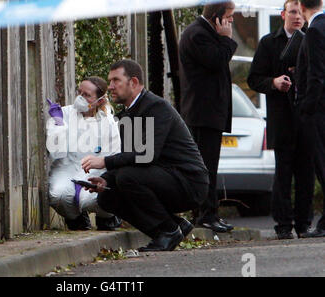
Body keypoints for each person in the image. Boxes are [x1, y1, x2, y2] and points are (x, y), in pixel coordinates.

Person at [81, 60, 209, 252]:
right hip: (162, 177)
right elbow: (128, 157)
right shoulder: (127, 115)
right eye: (110, 81)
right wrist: (104, 179)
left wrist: (104, 161)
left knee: (127, 178)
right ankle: (173, 226)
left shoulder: (156, 108)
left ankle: (168, 231)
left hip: (189, 182)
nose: (111, 87)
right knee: (107, 196)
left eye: (116, 80)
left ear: (133, 82)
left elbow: (146, 155)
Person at [248, 0, 316, 239]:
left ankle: (304, 223)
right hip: (282, 117)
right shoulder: (269, 42)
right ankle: (284, 225)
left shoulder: (312, 37)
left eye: (300, 12)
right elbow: (254, 78)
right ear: (283, 14)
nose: (297, 17)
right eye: (293, 12)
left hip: (307, 117)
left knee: (307, 174)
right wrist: (274, 83)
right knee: (283, 174)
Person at [178, 1, 237, 233]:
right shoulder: (197, 35)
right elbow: (216, 60)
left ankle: (210, 212)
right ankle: (205, 214)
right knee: (205, 166)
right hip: (202, 112)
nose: (231, 22)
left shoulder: (204, 33)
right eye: (229, 17)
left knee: (210, 165)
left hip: (210, 113)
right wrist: (226, 39)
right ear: (217, 17)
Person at [46, 76, 122, 231]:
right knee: (59, 195)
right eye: (79, 92)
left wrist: (103, 170)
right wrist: (58, 125)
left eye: (87, 95)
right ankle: (76, 220)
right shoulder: (65, 114)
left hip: (97, 170)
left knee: (95, 197)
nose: (80, 98)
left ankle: (107, 217)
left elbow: (115, 155)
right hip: (68, 167)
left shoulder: (108, 122)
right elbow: (56, 151)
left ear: (100, 100)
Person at [296, 0, 325, 237]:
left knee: (322, 166)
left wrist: (306, 107)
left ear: (301, 6)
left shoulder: (315, 30)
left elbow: (317, 74)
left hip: (318, 110)